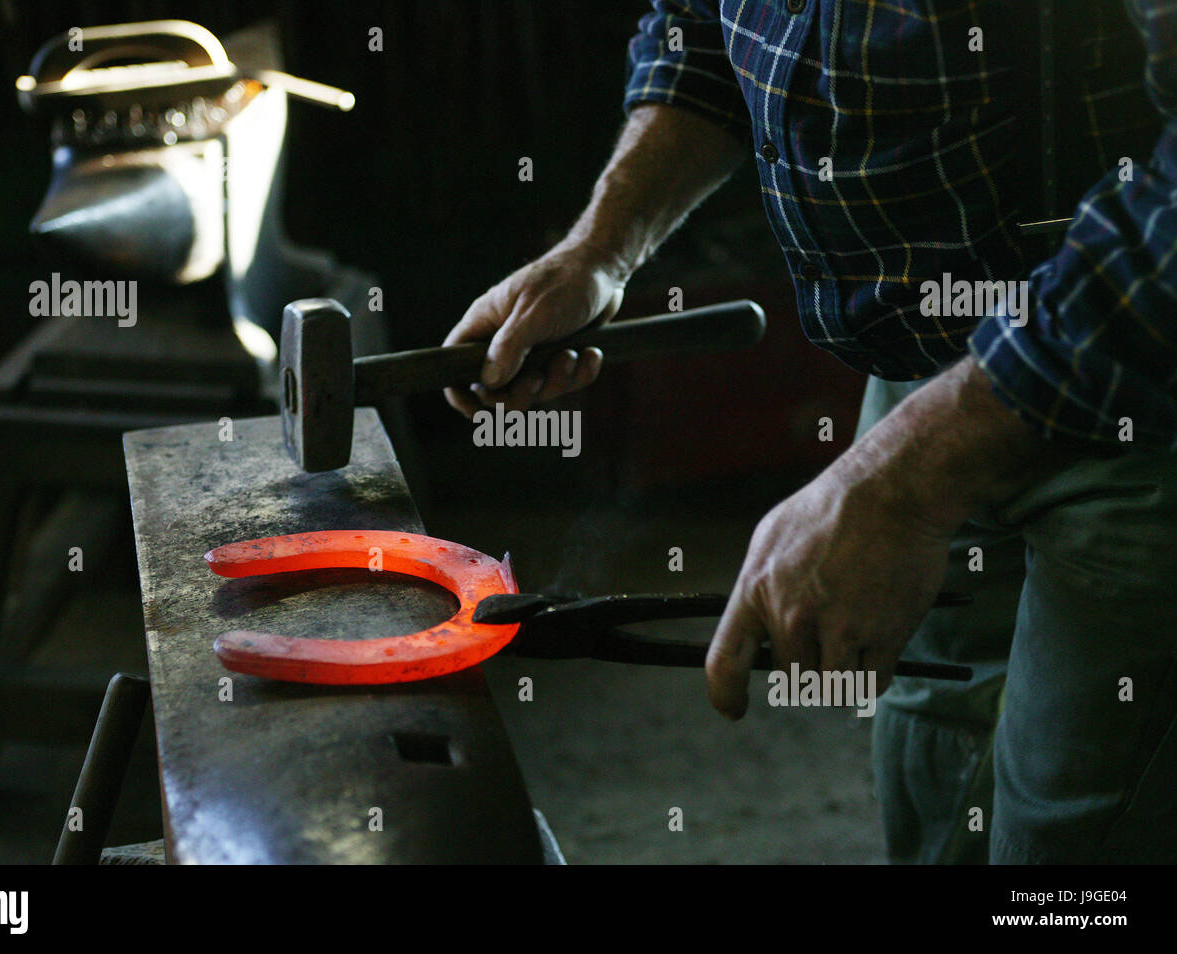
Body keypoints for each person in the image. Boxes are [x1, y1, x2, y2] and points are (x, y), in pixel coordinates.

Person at [443, 0, 1177, 864]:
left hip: (1132, 386)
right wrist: (605, 244)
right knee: (936, 768)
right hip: (930, 369)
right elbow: (703, 30)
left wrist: (902, 481)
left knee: (1077, 844)